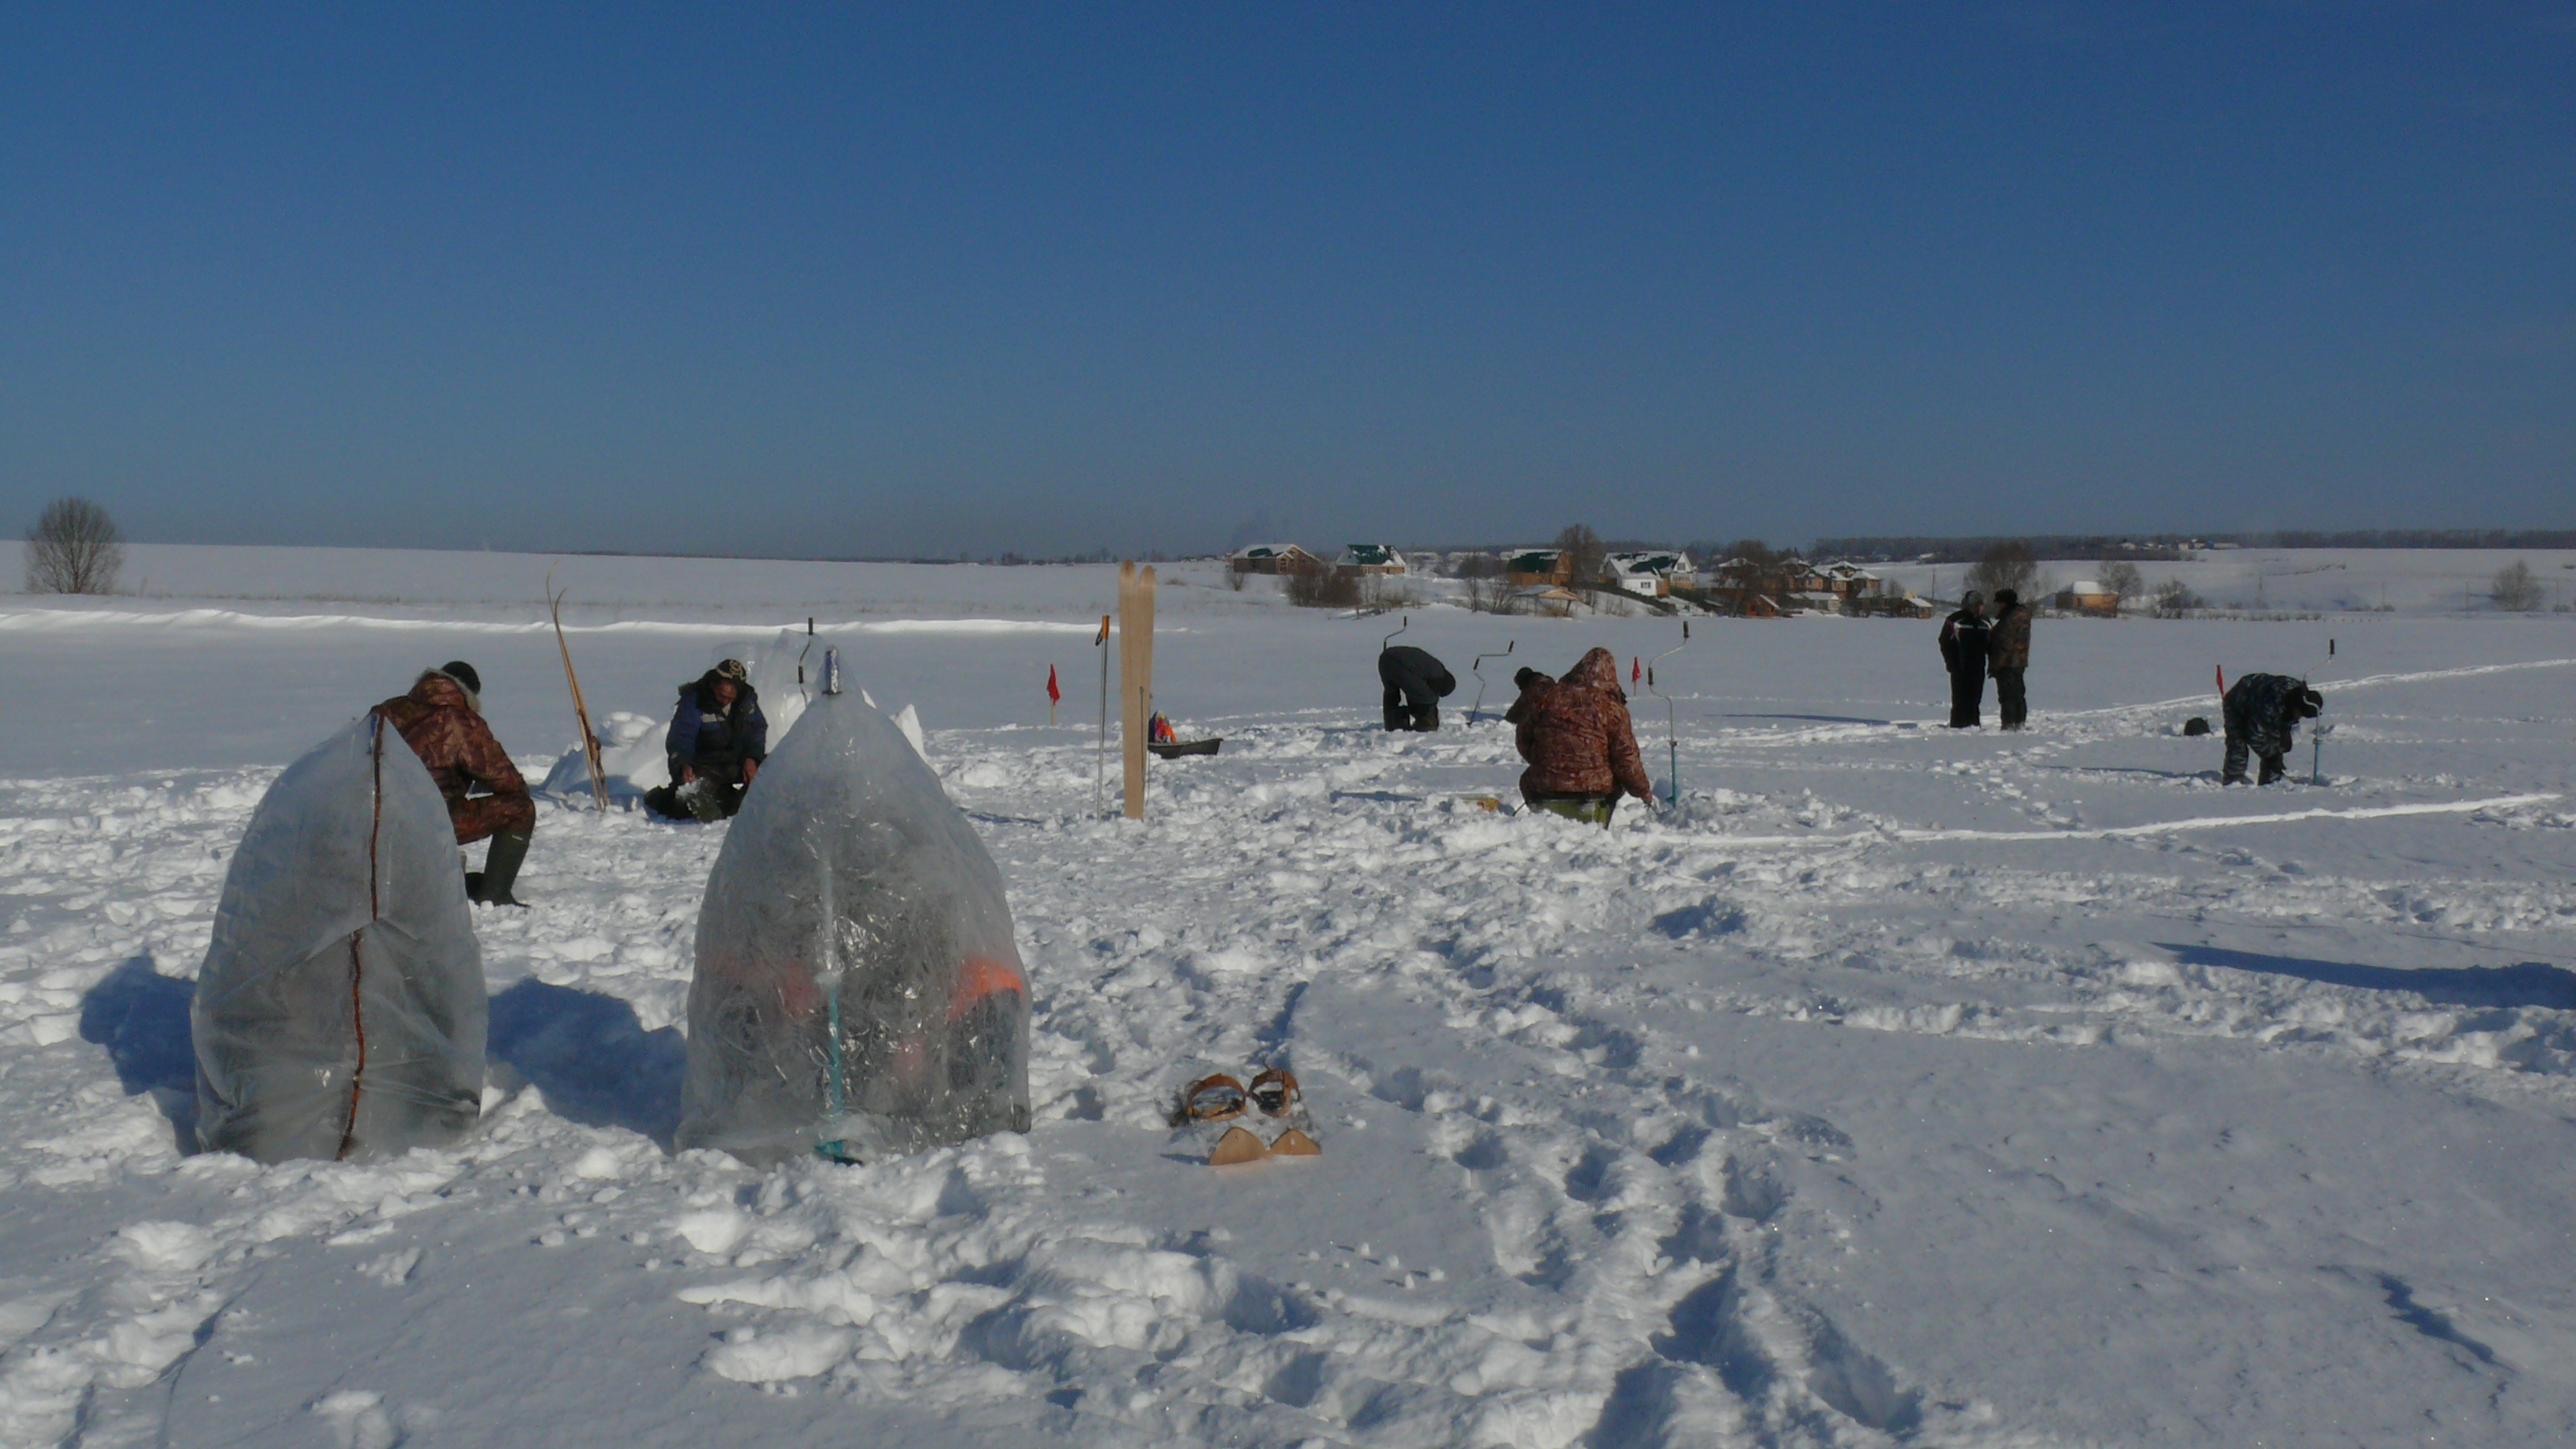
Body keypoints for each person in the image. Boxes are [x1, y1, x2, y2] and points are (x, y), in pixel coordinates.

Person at [374, 660, 535, 906]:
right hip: (430, 821)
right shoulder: (460, 720)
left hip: (376, 818)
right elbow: (507, 780)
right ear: (468, 694)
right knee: (521, 809)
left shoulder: (387, 709)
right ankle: (495, 894)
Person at [1504, 647, 1655, 825]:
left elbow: (1524, 736)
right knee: (1615, 781)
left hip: (1543, 784)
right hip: (1594, 789)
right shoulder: (1613, 709)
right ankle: (1598, 823)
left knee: (1528, 780)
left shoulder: (1547, 696)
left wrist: (1544, 761)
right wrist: (1642, 791)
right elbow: (1626, 758)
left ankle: (1541, 822)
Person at [647, 658, 768, 822]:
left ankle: (738, 802)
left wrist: (752, 758)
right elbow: (682, 737)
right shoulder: (694, 701)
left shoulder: (747, 702)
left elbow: (757, 730)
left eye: (730, 697)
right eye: (721, 695)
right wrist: (683, 764)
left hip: (736, 761)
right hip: (704, 766)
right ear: (713, 685)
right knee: (693, 802)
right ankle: (666, 799)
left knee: (772, 770)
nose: (725, 701)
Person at [2220, 674, 2323, 785]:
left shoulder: (2296, 695)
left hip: (2260, 703)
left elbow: (2284, 717)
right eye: (2300, 714)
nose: (2299, 717)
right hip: (2238, 703)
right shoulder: (2271, 704)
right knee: (2238, 743)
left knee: (2276, 745)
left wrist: (2284, 733)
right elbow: (2255, 736)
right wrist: (2272, 757)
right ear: (2297, 706)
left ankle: (2271, 783)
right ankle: (2232, 781)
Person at [1938, 590, 1991, 727]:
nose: (1978, 608)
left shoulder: (1985, 621)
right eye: (1975, 605)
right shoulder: (1955, 620)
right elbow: (1944, 641)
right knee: (1960, 700)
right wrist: (1951, 663)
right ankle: (1958, 725)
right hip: (1960, 667)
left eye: (1981, 605)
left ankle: (1974, 725)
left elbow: (1992, 644)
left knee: (1975, 699)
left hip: (1979, 667)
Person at [1378, 645, 1456, 732]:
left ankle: (1392, 724)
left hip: (1385, 659)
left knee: (1391, 694)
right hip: (1402, 663)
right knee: (1427, 699)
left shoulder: (1434, 667)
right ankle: (1426, 727)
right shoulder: (1438, 674)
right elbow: (1427, 696)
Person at [1987, 588, 2033, 730]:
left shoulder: (2010, 618)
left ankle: (2009, 724)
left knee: (2007, 695)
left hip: (2007, 662)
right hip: (2019, 661)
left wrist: (1995, 664)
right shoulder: (2022, 616)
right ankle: (2019, 722)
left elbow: (2004, 643)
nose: (1998, 606)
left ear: (2005, 603)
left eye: (1999, 603)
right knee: (2018, 694)